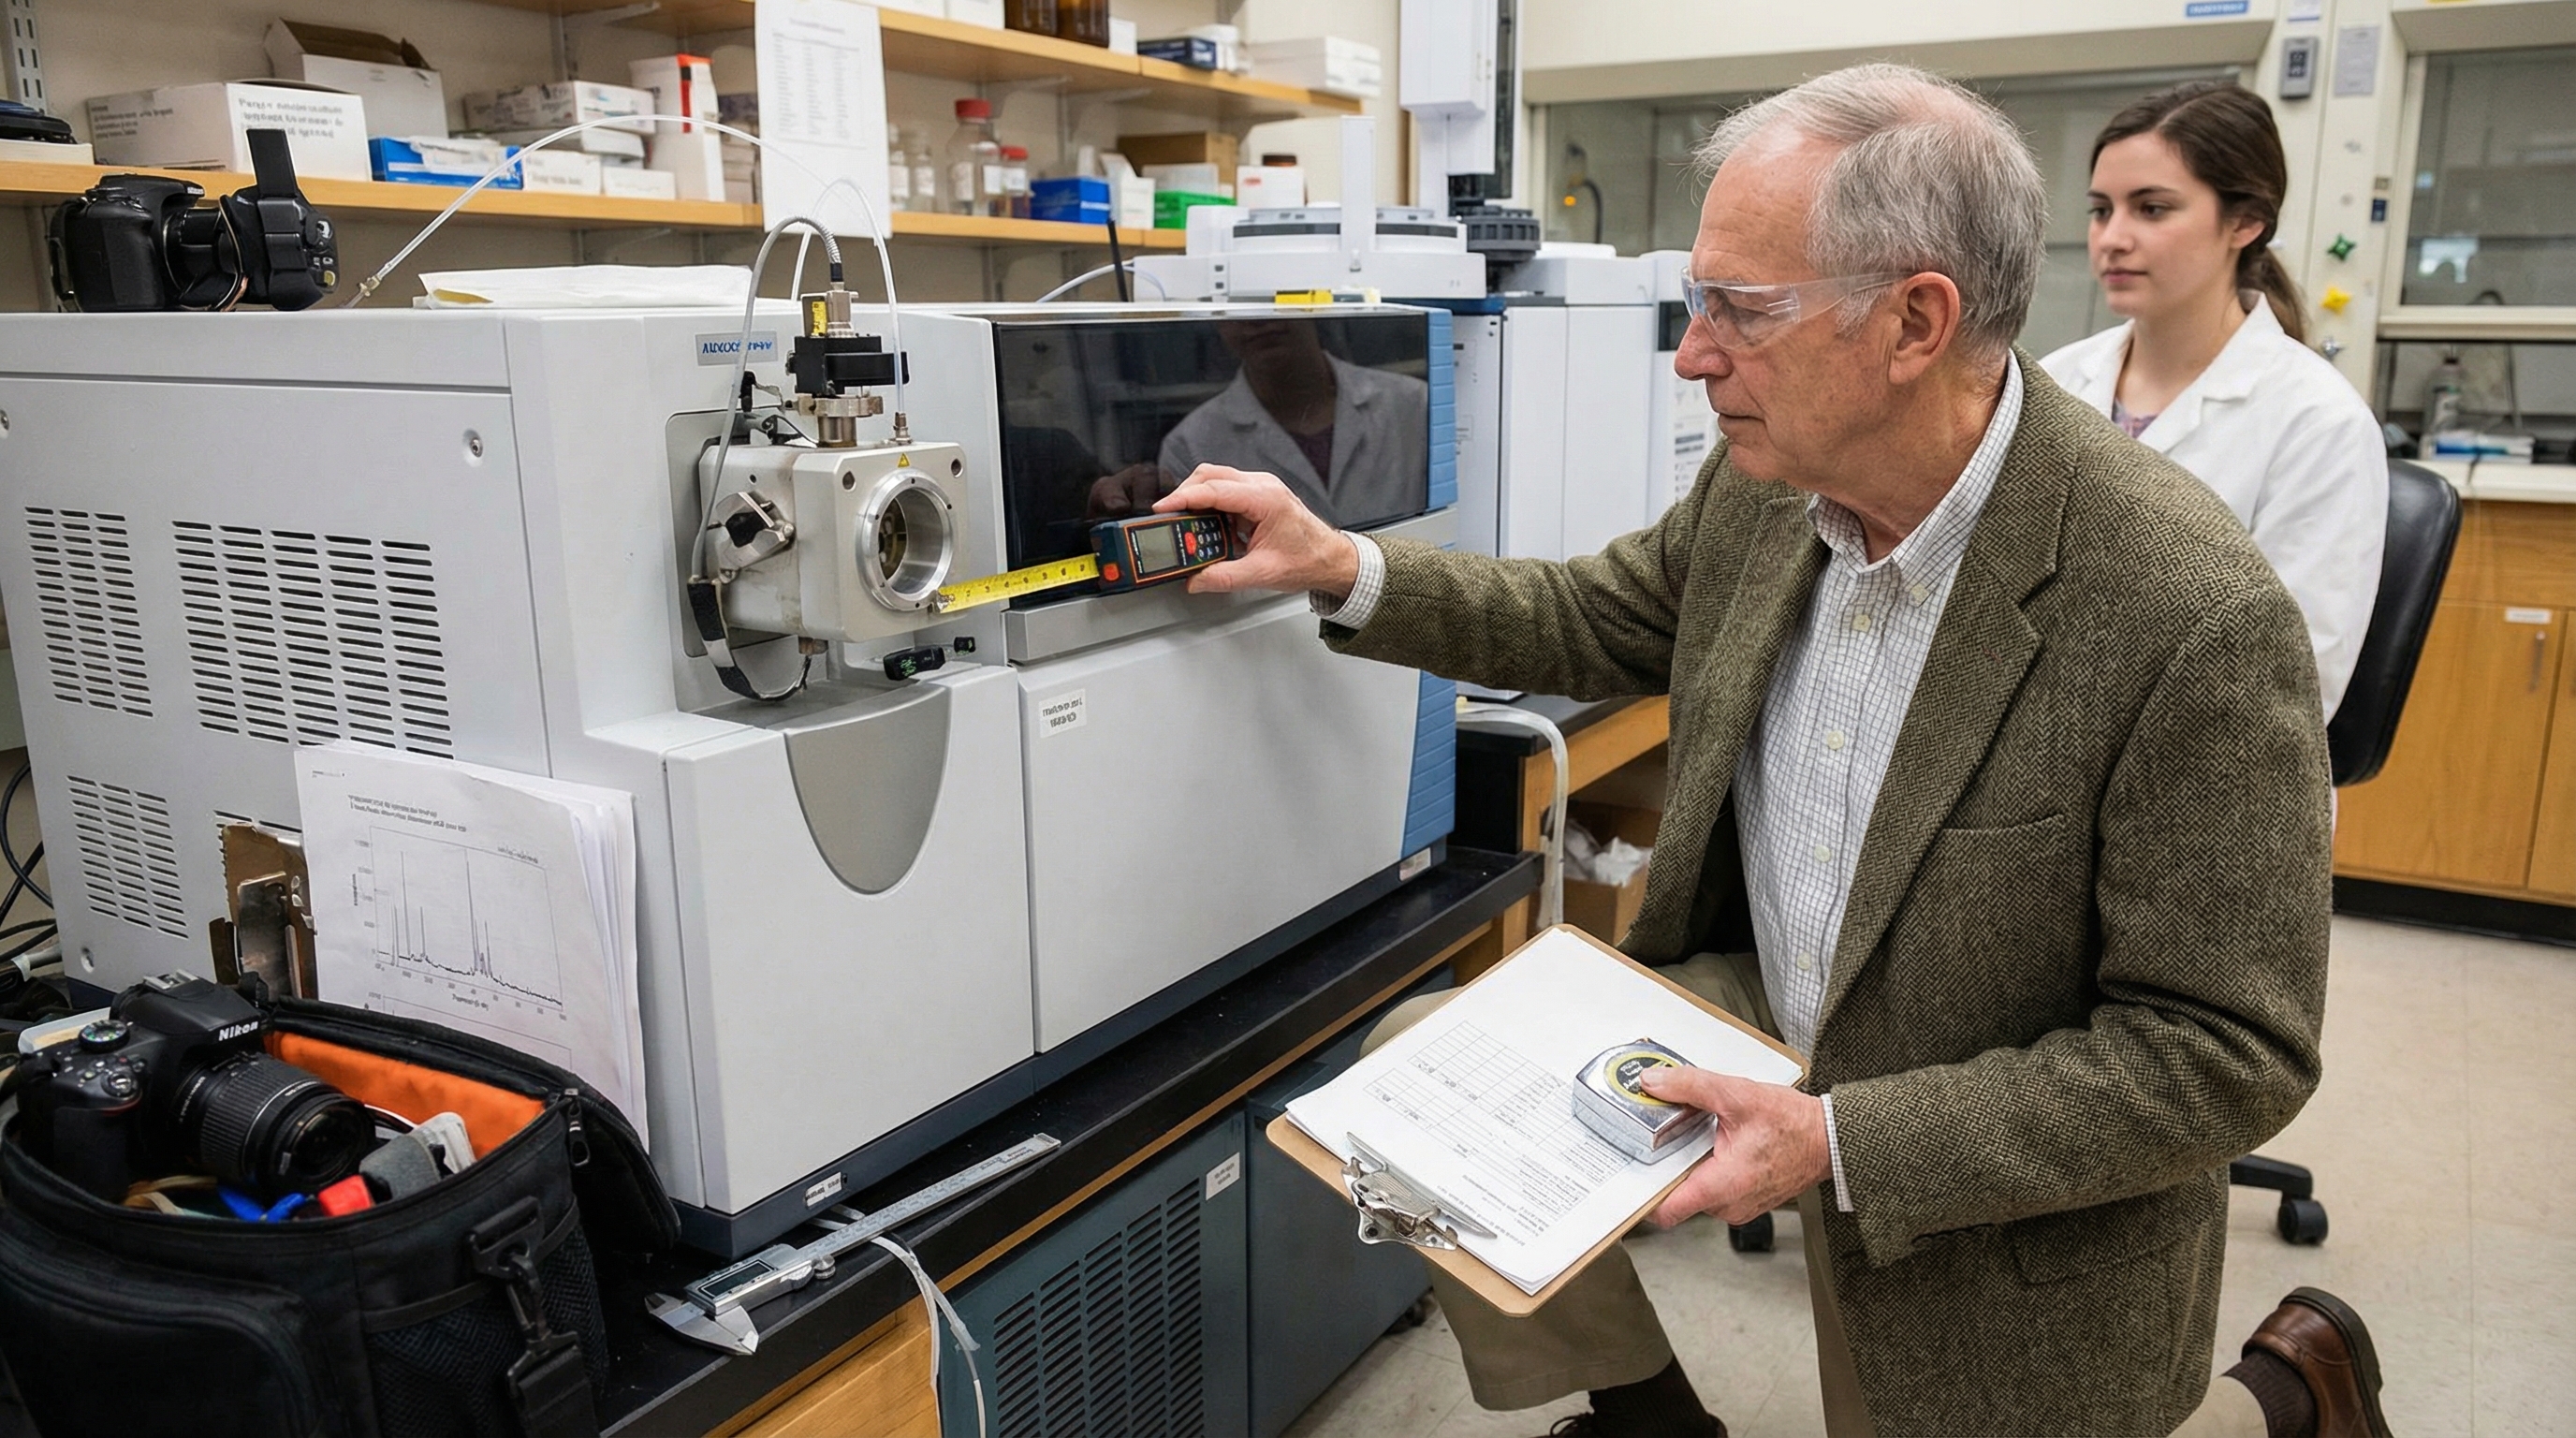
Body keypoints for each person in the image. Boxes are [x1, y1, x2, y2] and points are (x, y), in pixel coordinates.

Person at [1157, 64, 2396, 1438]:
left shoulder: (2184, 611)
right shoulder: (1770, 492)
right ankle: (1644, 1418)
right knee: (1411, 1073)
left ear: (1914, 323)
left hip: (1966, 1098)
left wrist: (1841, 1144)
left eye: (1741, 312)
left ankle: (2291, 1389)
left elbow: (2226, 1051)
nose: (1693, 356)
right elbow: (1589, 611)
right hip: (1763, 1001)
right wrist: (1339, 566)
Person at [2042, 80, 2385, 719]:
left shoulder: (2318, 424)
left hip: (2215, 773)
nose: (2112, 238)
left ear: (2246, 222)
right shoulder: (2056, 383)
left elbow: (2291, 680)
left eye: (2151, 209)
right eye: (2100, 210)